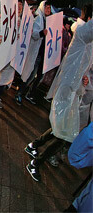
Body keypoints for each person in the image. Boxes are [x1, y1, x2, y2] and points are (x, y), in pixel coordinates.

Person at [25, 18, 92, 182]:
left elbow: (83, 68)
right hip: (67, 90)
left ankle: (33, 145)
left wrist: (85, 79)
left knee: (61, 129)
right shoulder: (82, 35)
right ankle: (35, 163)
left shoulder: (88, 44)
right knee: (65, 134)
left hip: (74, 91)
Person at [19, 1, 50, 104]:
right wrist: (42, 33)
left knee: (38, 76)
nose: (48, 10)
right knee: (30, 74)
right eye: (47, 8)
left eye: (49, 8)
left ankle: (26, 93)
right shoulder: (38, 18)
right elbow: (34, 34)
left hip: (42, 53)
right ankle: (19, 93)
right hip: (35, 52)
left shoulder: (48, 20)